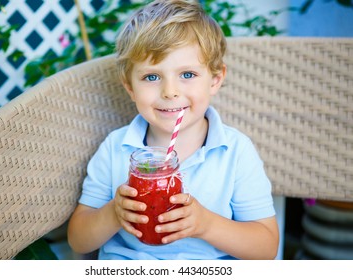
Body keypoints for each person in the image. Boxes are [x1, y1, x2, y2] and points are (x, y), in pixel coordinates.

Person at [67, 0, 279, 260]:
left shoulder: (235, 151)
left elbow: (266, 248)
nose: (170, 92)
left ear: (215, 79)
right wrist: (112, 214)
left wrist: (207, 225)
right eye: (152, 77)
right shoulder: (116, 147)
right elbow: (78, 240)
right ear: (130, 87)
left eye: (187, 74)